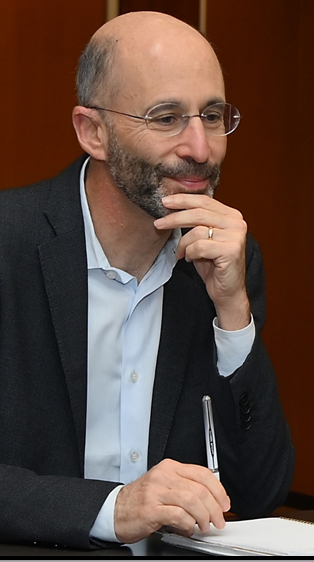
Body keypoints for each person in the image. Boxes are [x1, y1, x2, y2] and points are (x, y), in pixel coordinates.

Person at [0, 11, 294, 549]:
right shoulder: (9, 244)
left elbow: (259, 491)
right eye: (166, 118)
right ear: (93, 132)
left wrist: (233, 314)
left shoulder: (226, 260)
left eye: (211, 116)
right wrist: (111, 508)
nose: (200, 149)